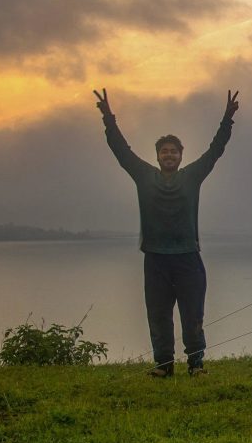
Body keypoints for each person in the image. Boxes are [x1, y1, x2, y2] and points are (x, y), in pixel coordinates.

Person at [94, 88, 239, 377]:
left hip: (188, 257)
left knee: (192, 315)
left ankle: (196, 365)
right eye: (164, 151)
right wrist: (108, 119)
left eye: (174, 151)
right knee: (158, 317)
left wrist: (227, 119)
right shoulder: (144, 176)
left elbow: (215, 151)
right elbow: (122, 152)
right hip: (156, 259)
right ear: (158, 156)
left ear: (181, 156)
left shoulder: (192, 176)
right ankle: (163, 365)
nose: (169, 155)